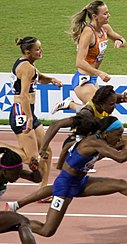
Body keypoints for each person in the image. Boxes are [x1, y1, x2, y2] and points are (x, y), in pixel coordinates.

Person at [6, 116, 127, 238]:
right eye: (118, 135)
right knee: (47, 230)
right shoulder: (94, 142)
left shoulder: (100, 140)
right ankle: (14, 223)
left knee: (121, 184)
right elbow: (121, 158)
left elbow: (112, 151)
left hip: (80, 181)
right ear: (106, 133)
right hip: (67, 186)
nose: (120, 138)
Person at [42, 85, 127, 191]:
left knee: (126, 139)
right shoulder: (86, 114)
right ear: (100, 104)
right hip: (77, 148)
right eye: (111, 104)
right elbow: (55, 125)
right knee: (125, 141)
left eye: (115, 102)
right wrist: (43, 148)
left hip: (93, 144)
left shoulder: (109, 100)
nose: (114, 106)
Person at [0, 37, 63, 193]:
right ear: (28, 52)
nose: (40, 51)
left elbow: (38, 77)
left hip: (28, 112)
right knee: (30, 159)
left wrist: (52, 79)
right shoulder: (26, 68)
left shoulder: (27, 64)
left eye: (40, 48)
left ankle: (43, 189)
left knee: (46, 151)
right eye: (37, 49)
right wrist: (28, 118)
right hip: (22, 113)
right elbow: (23, 96)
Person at [51, 0, 127, 114]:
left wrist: (119, 42)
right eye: (105, 13)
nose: (108, 15)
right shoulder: (88, 33)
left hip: (93, 79)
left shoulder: (105, 28)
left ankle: (70, 105)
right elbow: (79, 62)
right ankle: (71, 105)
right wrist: (99, 73)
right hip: (83, 80)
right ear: (95, 16)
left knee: (92, 113)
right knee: (100, 113)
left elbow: (121, 39)